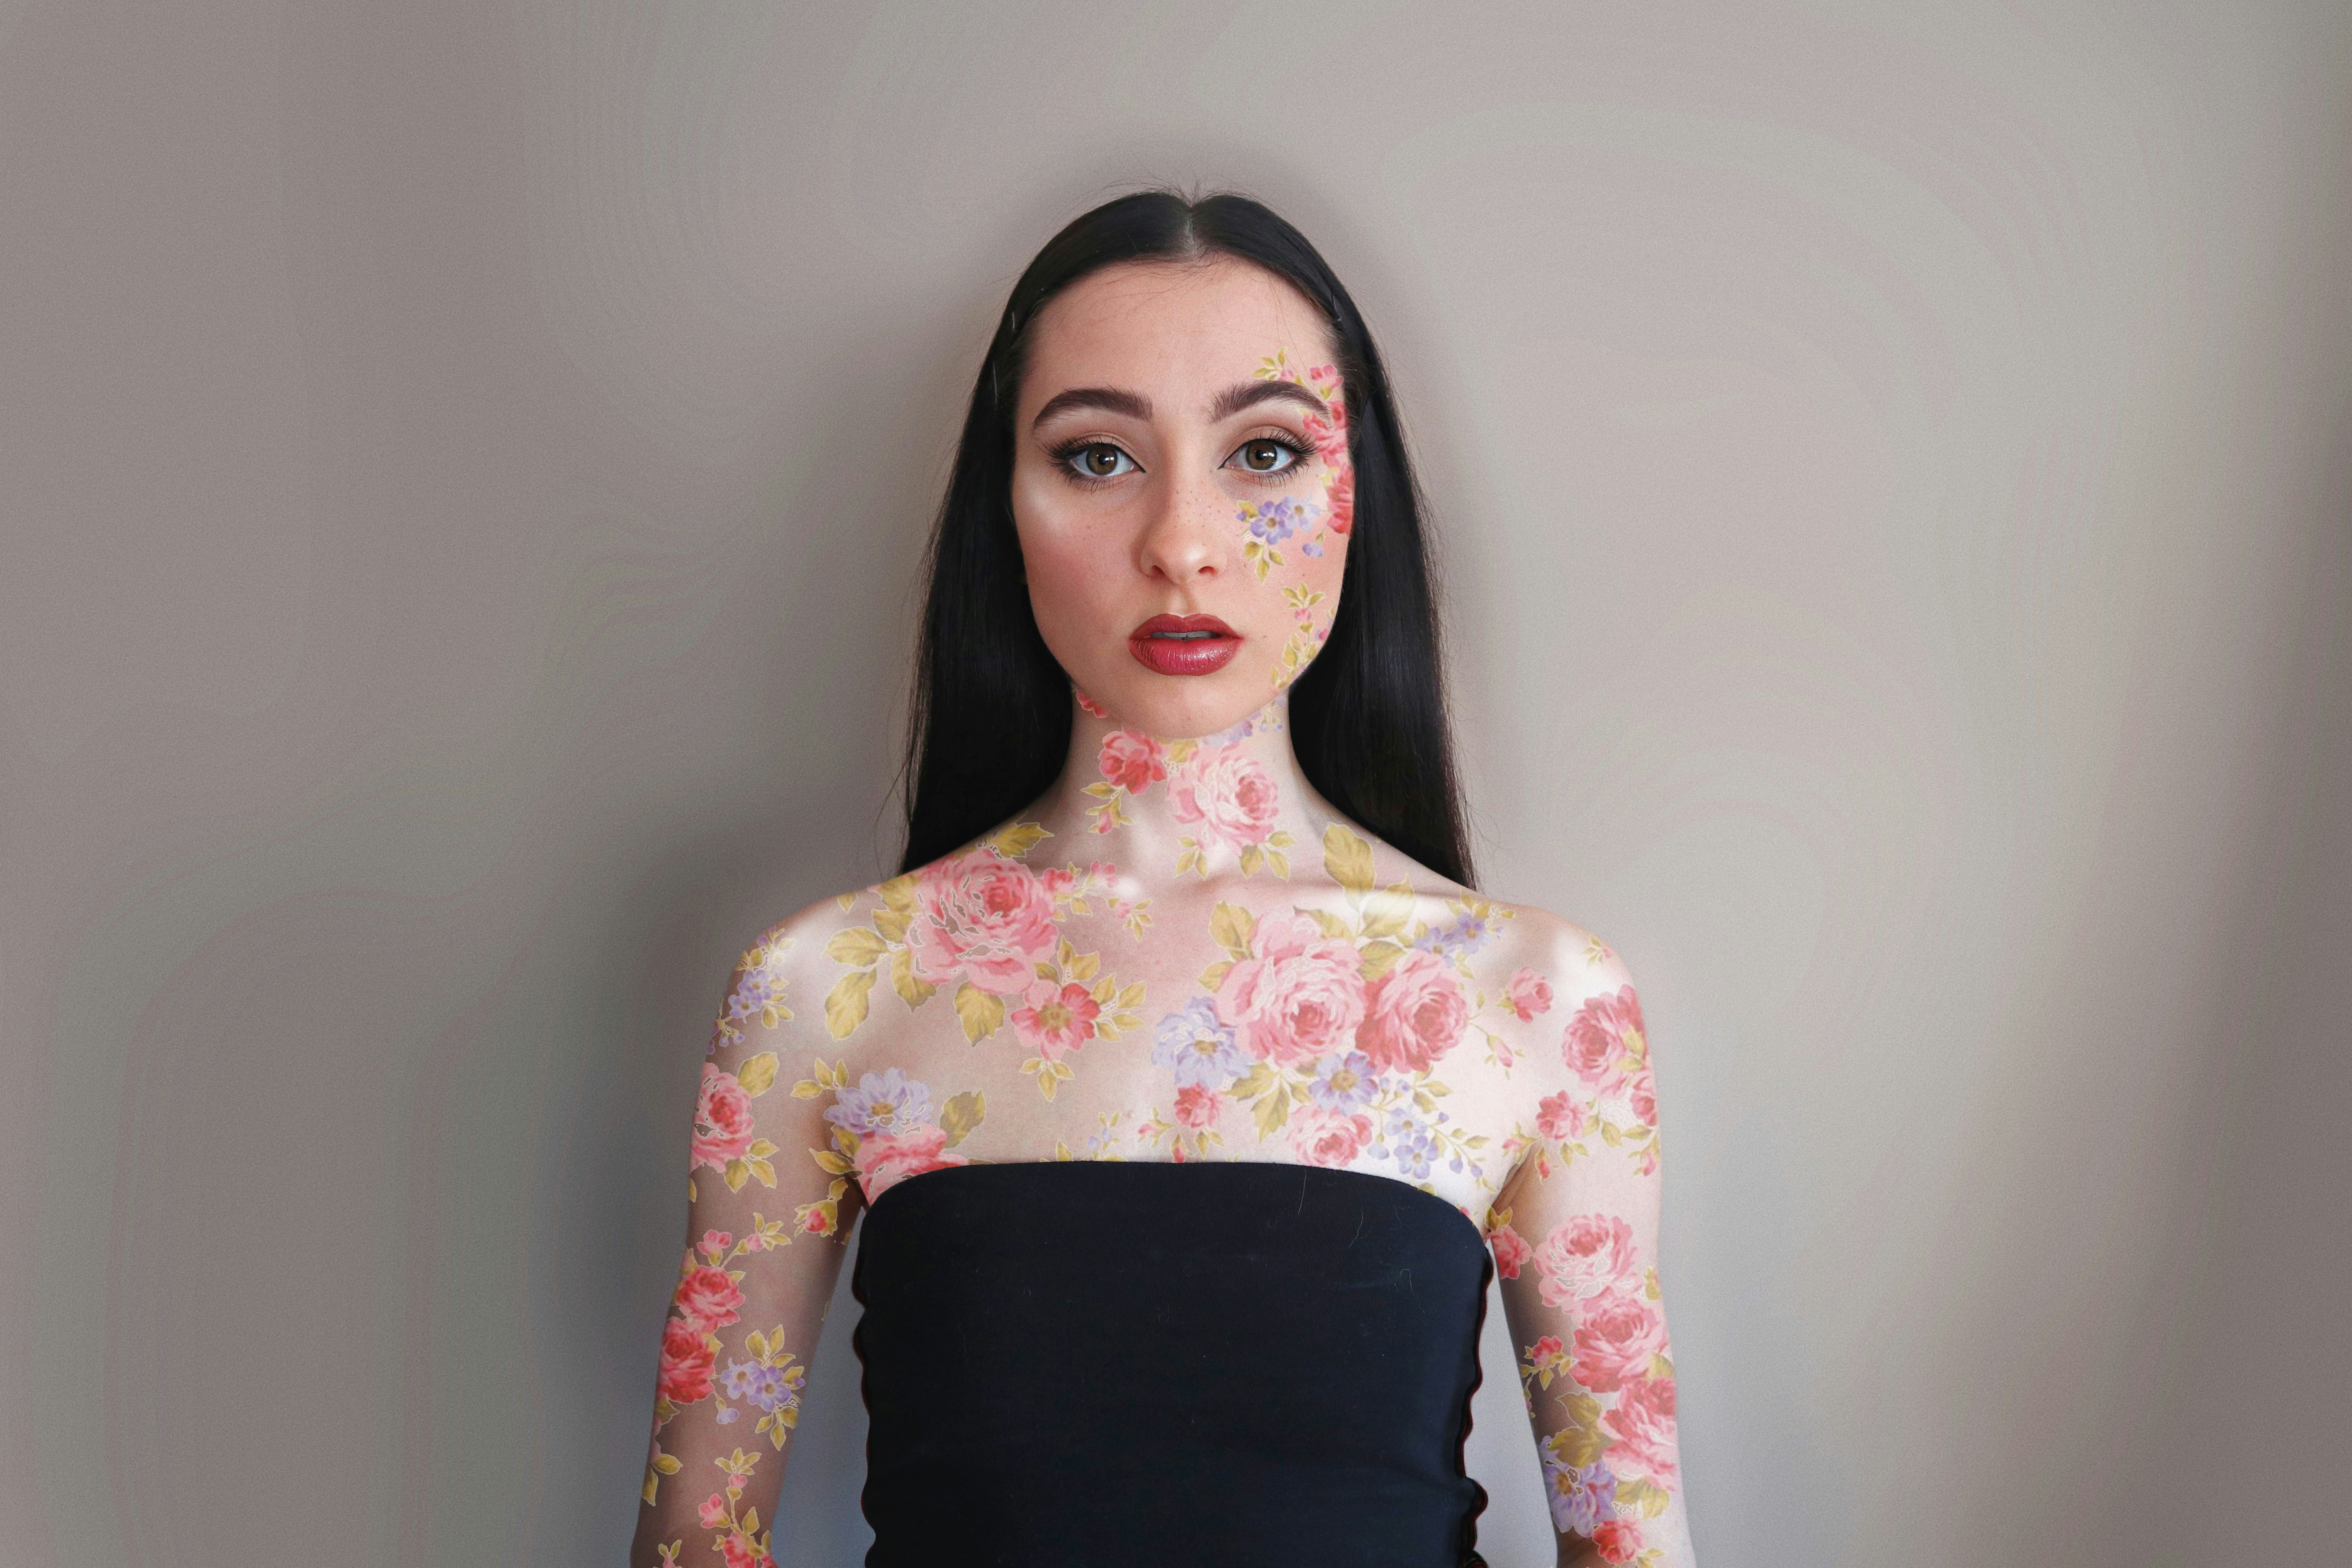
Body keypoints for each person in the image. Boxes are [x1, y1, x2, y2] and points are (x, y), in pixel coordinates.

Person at [628, 191, 1695, 1568]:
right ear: (1006, 507)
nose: (1183, 543)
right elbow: (694, 1546)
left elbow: (1632, 1551)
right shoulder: (826, 991)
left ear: (1353, 496)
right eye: (1097, 457)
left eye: (1266, 453)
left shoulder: (1537, 1002)